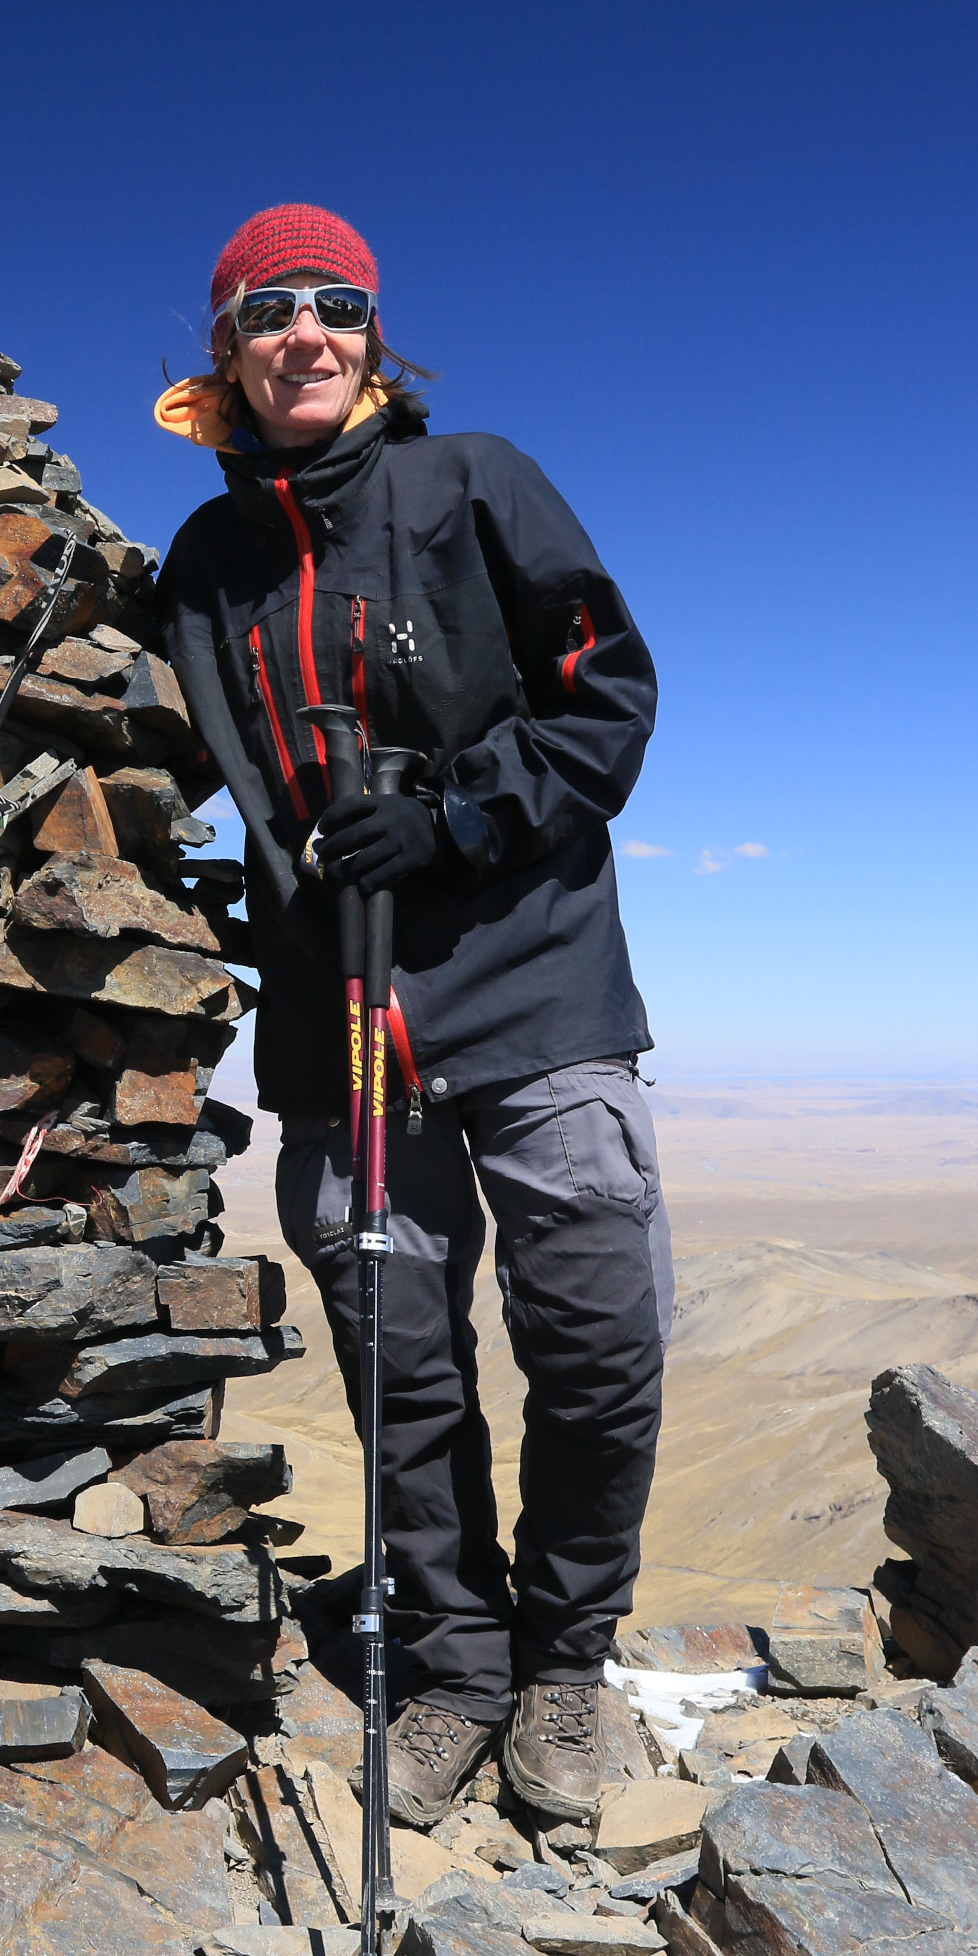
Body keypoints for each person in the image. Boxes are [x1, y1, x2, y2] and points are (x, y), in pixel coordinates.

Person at [153, 204, 673, 1826]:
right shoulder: (208, 563)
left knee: (595, 1346)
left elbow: (610, 698)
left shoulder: (475, 485)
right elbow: (140, 732)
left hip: (535, 992)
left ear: (374, 335)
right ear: (225, 352)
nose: (308, 333)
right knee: (404, 1374)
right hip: (340, 1018)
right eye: (269, 312)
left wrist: (453, 817)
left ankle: (566, 1667)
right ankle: (455, 1666)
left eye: (339, 305)